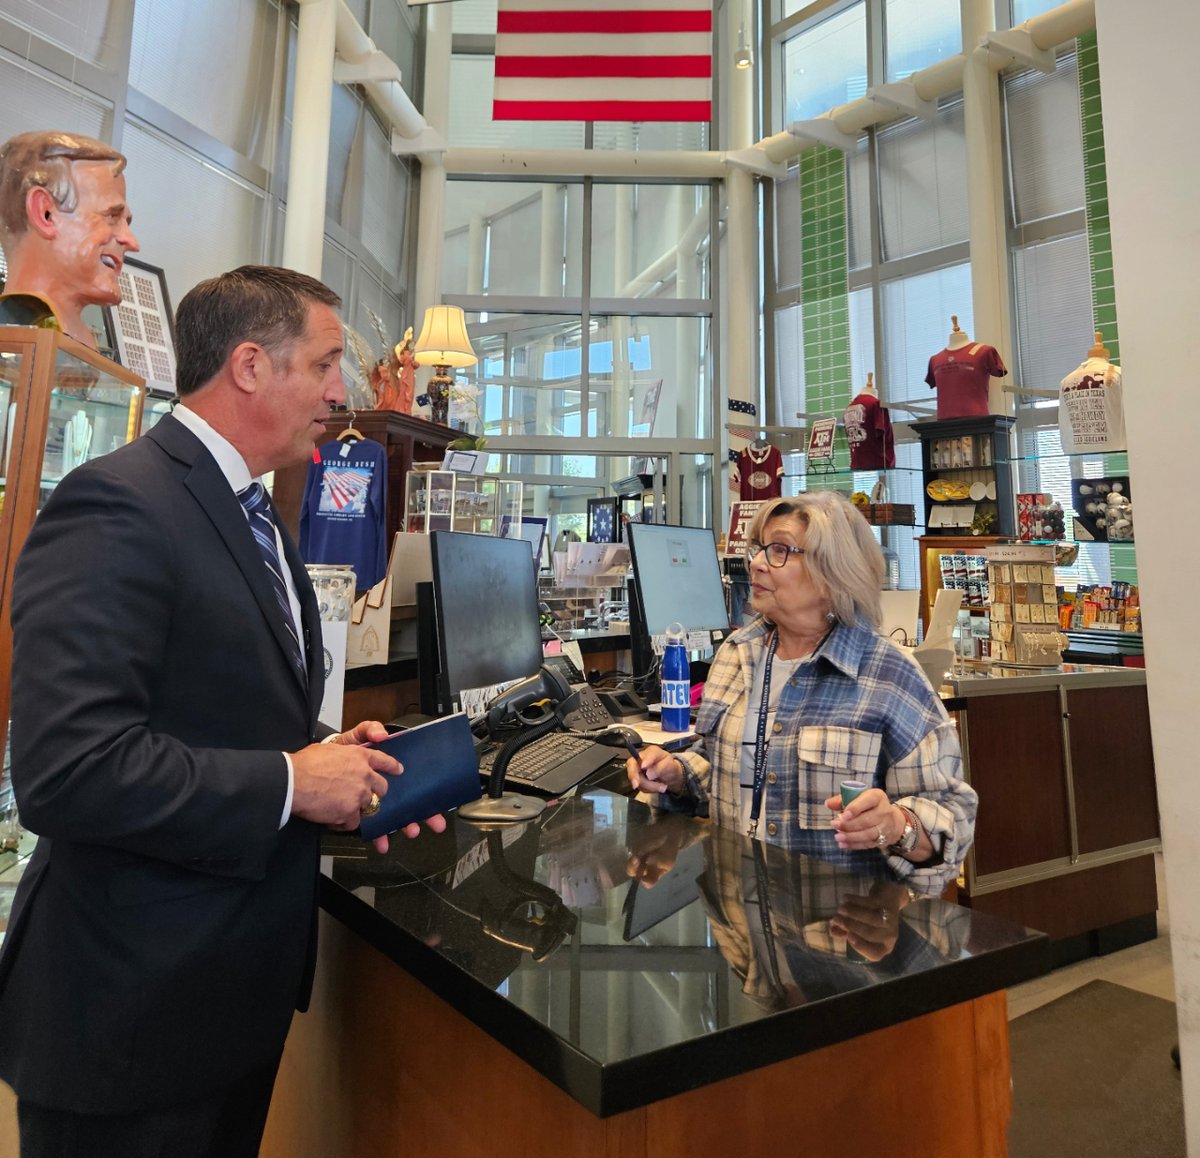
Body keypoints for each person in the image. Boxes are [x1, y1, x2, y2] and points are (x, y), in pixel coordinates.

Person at [0, 264, 446, 1157]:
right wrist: (291, 782)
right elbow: (66, 770)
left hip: (224, 1007)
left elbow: (225, 705)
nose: (340, 394)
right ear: (250, 366)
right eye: (324, 365)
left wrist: (334, 755)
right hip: (131, 1020)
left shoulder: (254, 511)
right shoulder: (118, 502)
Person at [626, 491, 977, 894]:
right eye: (758, 548)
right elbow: (724, 763)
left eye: (778, 550)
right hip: (738, 927)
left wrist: (898, 825)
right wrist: (678, 774)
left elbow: (954, 823)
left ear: (832, 575)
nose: (755, 562)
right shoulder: (736, 655)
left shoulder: (889, 676)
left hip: (838, 934)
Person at [0, 130, 138, 347]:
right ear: (45, 213)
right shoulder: (16, 345)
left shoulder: (69, 346)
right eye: (111, 216)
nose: (132, 242)